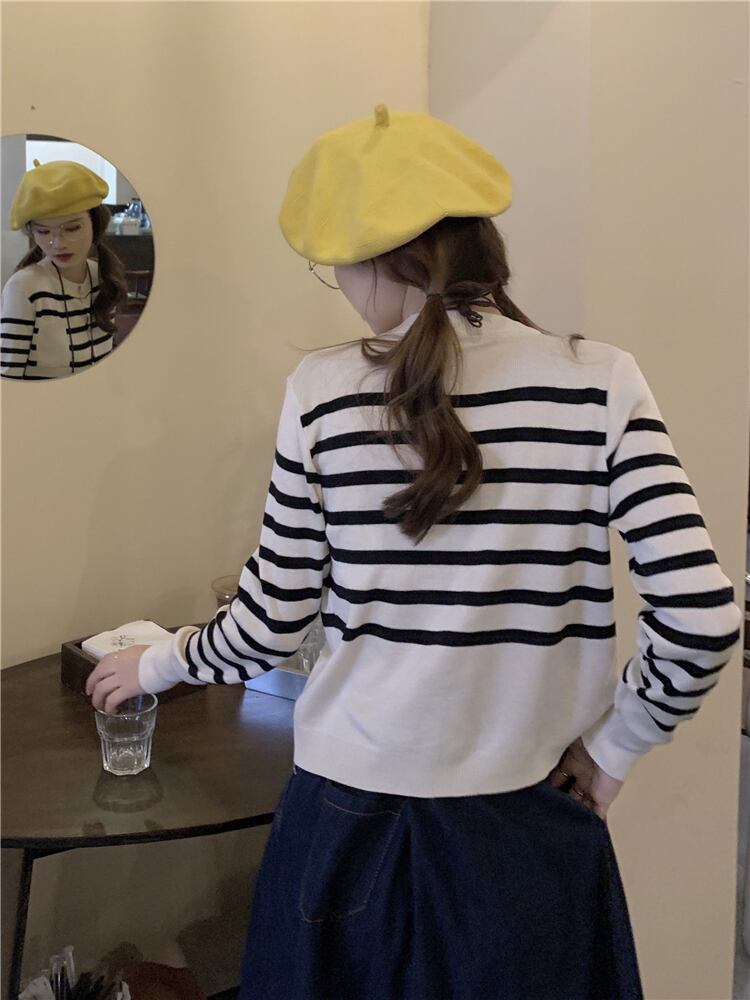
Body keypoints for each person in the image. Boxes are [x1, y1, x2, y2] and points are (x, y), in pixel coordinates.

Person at [86, 105, 742, 999]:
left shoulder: (322, 392)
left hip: (345, 826)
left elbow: (271, 622)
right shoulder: (601, 382)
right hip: (527, 829)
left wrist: (156, 663)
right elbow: (702, 618)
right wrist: (615, 747)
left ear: (377, 260)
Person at [1, 159, 127, 380]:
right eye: (43, 232)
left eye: (72, 228)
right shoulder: (24, 287)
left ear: (95, 223)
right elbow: (8, 378)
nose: (58, 243)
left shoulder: (103, 276)